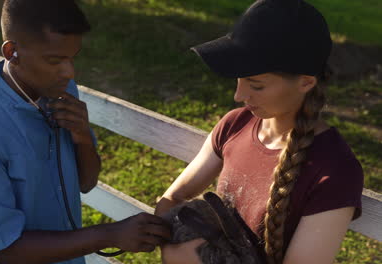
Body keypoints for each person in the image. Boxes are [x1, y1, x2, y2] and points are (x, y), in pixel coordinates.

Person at [0, 0, 170, 263]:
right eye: (55, 60)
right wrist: (110, 234)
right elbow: (6, 249)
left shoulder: (60, 91)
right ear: (12, 51)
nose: (69, 72)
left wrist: (82, 136)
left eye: (72, 58)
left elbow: (86, 182)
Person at [155, 0, 364, 263]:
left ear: (306, 82)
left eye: (256, 85)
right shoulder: (235, 124)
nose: (239, 95)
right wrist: (167, 238)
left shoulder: (334, 169)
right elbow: (174, 196)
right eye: (239, 79)